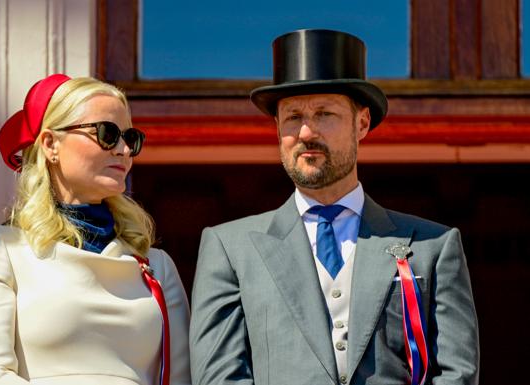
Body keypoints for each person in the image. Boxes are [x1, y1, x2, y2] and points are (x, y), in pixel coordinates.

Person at [190, 29, 479, 385]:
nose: (307, 132)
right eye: (293, 117)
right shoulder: (229, 249)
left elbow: (457, 375)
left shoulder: (433, 246)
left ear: (362, 123)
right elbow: (219, 378)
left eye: (324, 114)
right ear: (277, 128)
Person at [0, 74, 191, 385]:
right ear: (51, 144)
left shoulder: (157, 267)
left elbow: (182, 379)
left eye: (130, 138)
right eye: (107, 134)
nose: (124, 150)